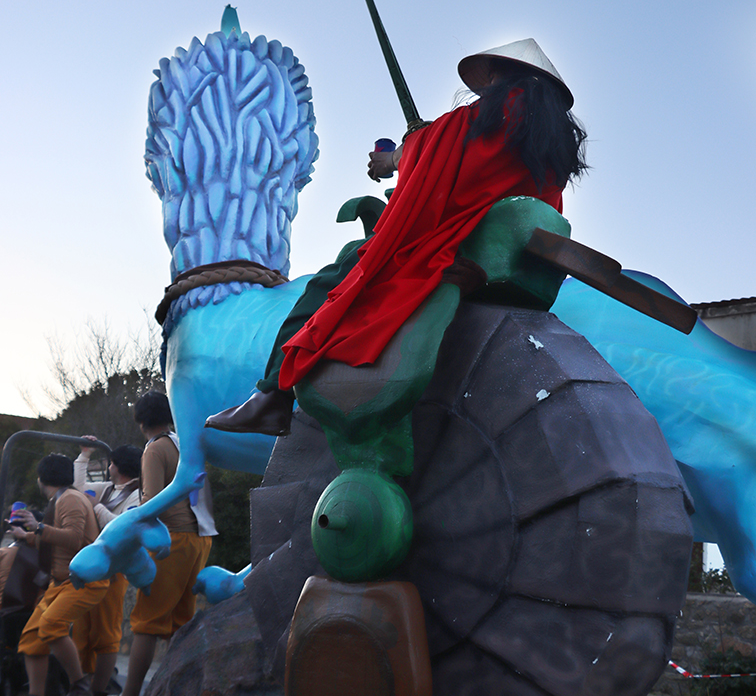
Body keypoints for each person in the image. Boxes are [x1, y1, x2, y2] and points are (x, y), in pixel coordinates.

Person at [206, 38, 587, 435]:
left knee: (339, 275)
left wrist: (398, 153)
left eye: (490, 78)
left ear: (500, 76)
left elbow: (441, 158)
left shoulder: (487, 117)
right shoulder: (553, 146)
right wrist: (424, 140)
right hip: (511, 257)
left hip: (452, 245)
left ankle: (273, 394)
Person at [120, 391, 216, 696]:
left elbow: (151, 502)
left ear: (141, 421)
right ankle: (181, 695)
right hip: (200, 537)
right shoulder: (184, 443)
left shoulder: (155, 448)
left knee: (147, 621)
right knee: (179, 623)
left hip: (172, 540)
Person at [7, 454, 109, 696]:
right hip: (60, 582)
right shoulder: (60, 499)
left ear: (42, 479)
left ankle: (80, 688)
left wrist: (39, 527)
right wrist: (26, 535)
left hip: (82, 581)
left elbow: (73, 539)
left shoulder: (71, 499)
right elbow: (54, 541)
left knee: (51, 626)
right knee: (32, 638)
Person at [70, 441, 142, 696]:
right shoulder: (109, 489)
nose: (109, 467)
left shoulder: (137, 495)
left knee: (107, 633)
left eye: (111, 463)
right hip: (92, 568)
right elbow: (78, 489)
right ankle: (80, 688)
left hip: (114, 571)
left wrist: (98, 508)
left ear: (118, 467)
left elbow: (126, 529)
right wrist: (84, 456)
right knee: (82, 629)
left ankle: (97, 691)